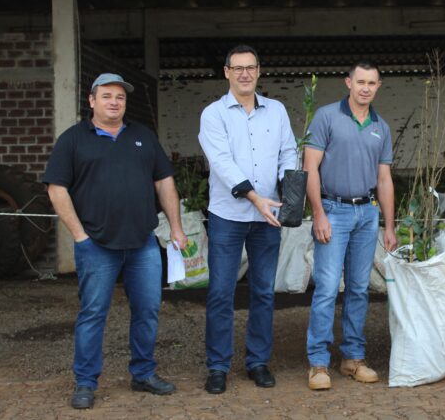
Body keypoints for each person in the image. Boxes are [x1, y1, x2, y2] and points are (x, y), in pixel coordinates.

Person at [43, 73, 188, 409]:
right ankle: (85, 382)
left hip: (143, 243)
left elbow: (164, 182)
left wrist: (176, 228)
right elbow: (56, 189)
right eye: (106, 96)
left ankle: (143, 373)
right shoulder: (74, 139)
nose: (113, 102)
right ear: (91, 101)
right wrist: (79, 236)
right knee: (93, 313)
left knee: (148, 311)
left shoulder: (143, 136)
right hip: (97, 245)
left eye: (119, 97)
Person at [199, 45, 297, 393]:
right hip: (228, 215)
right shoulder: (213, 114)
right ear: (226, 72)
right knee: (221, 293)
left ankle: (257, 362)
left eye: (250, 67)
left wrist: (290, 195)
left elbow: (289, 152)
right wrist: (255, 197)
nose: (244, 74)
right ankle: (217, 366)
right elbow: (222, 163)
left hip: (267, 217)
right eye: (237, 68)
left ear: (259, 71)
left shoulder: (277, 111)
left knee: (263, 293)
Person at [304, 60, 397, 390]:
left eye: (372, 83)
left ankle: (352, 359)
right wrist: (318, 213)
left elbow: (384, 179)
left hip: (367, 213)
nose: (366, 88)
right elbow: (310, 168)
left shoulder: (380, 127)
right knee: (328, 288)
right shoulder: (327, 117)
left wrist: (389, 225)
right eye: (360, 82)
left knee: (359, 289)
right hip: (333, 210)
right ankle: (318, 363)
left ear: (378, 86)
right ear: (348, 82)